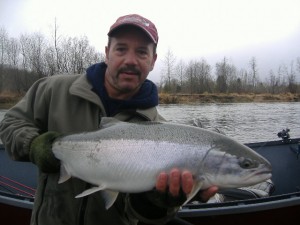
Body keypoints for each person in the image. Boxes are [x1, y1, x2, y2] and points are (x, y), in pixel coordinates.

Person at [0, 14, 217, 225]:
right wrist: (35, 145)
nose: (130, 60)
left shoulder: (159, 130)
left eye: (142, 52)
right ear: (107, 53)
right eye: (121, 49)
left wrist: (157, 203)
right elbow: (10, 124)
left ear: (153, 61)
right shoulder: (52, 90)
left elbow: (143, 215)